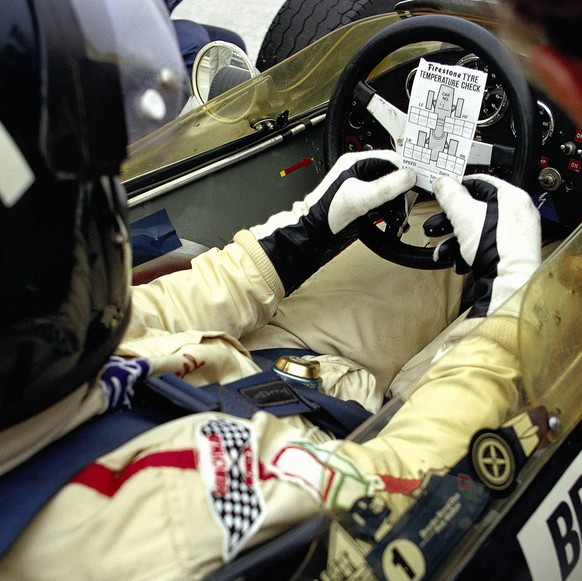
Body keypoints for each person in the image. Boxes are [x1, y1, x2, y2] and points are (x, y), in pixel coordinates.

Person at [0, 0, 576, 579]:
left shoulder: (36, 361)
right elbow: (402, 491)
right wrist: (504, 309)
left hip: (261, 370)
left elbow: (152, 314)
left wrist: (303, 233)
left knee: (429, 249)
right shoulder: (173, 519)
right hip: (353, 446)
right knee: (561, 295)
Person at [164, 0, 247, 77]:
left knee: (232, 46)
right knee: (195, 42)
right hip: (152, 35)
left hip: (159, 20)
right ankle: (181, 91)